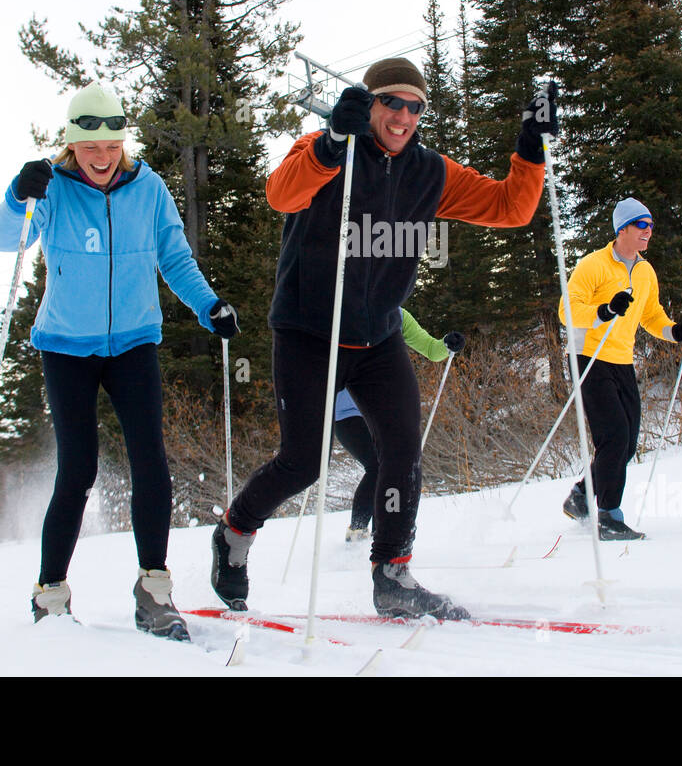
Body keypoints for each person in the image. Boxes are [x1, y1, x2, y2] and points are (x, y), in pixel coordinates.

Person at [211, 57, 555, 620]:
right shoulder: (325, 148)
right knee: (302, 461)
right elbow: (281, 194)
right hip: (308, 331)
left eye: (415, 106)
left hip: (378, 337)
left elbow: (510, 208)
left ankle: (392, 573)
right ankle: (234, 534)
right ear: (369, 104)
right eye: (391, 102)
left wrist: (530, 148)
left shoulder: (429, 172)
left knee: (401, 453)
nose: (403, 115)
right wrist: (330, 144)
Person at [0, 80, 239, 641]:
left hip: (132, 344)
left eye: (110, 147)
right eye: (89, 148)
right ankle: (50, 593)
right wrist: (15, 195)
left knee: (151, 460)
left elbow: (173, 256)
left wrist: (209, 306)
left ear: (123, 143)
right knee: (77, 468)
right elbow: (6, 242)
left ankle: (154, 588)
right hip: (66, 347)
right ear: (71, 144)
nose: (101, 159)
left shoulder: (147, 188)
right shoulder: (49, 189)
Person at [556, 197, 682, 540]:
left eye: (651, 226)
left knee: (627, 444)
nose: (648, 231)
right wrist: (604, 311)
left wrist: (676, 332)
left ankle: (580, 496)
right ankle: (608, 517)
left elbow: (651, 316)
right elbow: (568, 309)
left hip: (622, 360)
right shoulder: (594, 265)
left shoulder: (645, 272)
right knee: (614, 436)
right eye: (642, 225)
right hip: (588, 357)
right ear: (622, 229)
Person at [335, 308, 465, 543]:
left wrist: (446, 345)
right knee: (377, 465)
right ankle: (357, 531)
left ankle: (383, 535)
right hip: (346, 412)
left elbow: (430, 349)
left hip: (381, 408)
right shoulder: (342, 312)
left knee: (393, 466)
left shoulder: (396, 314)